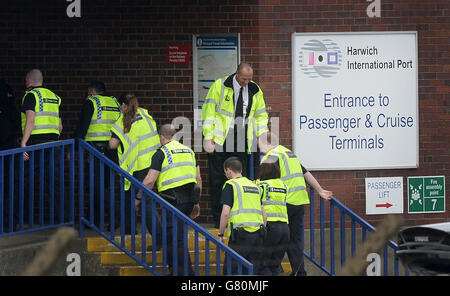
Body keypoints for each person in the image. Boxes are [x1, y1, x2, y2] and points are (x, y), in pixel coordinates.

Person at [202, 62, 269, 228]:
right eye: (244, 79)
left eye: (249, 79)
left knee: (242, 181)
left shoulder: (254, 89)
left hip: (243, 141)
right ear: (237, 74)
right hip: (221, 140)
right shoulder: (220, 86)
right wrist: (208, 137)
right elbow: (208, 112)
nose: (247, 83)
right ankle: (219, 220)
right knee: (218, 180)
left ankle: (238, 219)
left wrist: (262, 137)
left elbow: (261, 116)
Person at [259, 131, 333, 276]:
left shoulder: (270, 157)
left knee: (274, 236)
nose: (258, 147)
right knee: (295, 240)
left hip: (282, 202)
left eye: (259, 143)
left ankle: (273, 268)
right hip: (299, 202)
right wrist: (320, 190)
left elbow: (265, 180)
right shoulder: (289, 154)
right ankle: (300, 272)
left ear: (267, 142)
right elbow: (306, 173)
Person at [141, 124, 202, 275]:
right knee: (173, 237)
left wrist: (138, 197)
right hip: (188, 200)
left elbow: (149, 181)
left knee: (175, 239)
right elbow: (198, 179)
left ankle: (185, 273)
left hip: (172, 201)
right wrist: (196, 202)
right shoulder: (189, 151)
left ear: (161, 136)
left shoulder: (161, 152)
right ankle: (177, 270)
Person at [14, 69, 67, 228]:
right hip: (53, 145)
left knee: (21, 182)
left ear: (28, 80)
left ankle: (16, 221)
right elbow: (60, 126)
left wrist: (24, 143)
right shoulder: (54, 96)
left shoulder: (31, 95)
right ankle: (64, 222)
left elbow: (30, 120)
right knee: (55, 185)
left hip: (35, 145)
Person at [72, 80, 121, 227]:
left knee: (94, 186)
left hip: (95, 151)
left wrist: (75, 148)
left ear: (92, 91)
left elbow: (83, 125)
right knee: (102, 186)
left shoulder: (92, 102)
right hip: (112, 151)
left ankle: (117, 213)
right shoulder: (115, 102)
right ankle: (93, 219)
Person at [109, 92, 160, 233]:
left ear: (124, 106)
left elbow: (113, 144)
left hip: (136, 166)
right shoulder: (145, 114)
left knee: (142, 202)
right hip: (152, 163)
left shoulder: (123, 119)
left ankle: (157, 236)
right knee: (138, 200)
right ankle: (131, 232)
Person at [218, 156, 267, 275]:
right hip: (258, 235)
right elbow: (264, 214)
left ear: (229, 170)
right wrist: (263, 230)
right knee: (252, 272)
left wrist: (220, 234)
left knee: (231, 271)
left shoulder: (231, 185)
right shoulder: (254, 186)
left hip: (240, 236)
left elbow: (225, 213)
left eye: (226, 172)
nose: (226, 175)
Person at [256, 162, 290, 276]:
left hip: (270, 227)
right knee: (275, 266)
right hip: (285, 228)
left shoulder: (261, 185)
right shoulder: (283, 185)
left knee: (262, 266)